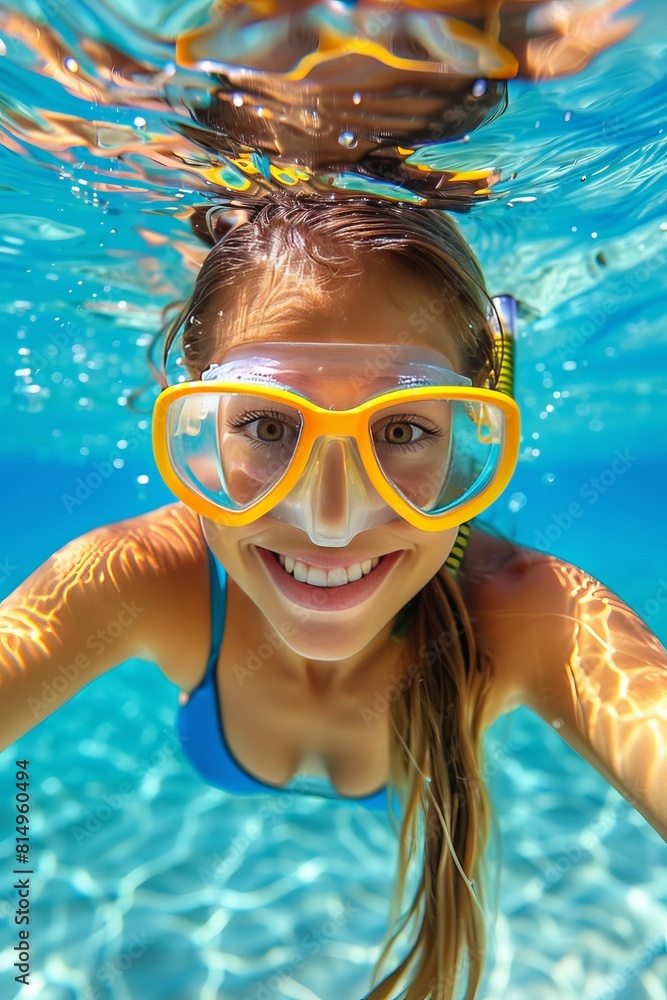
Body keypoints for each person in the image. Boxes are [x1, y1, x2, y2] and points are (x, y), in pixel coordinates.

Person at [1, 195, 665, 1000]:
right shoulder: (140, 576)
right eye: (270, 428)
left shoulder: (528, 615)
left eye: (403, 431)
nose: (330, 519)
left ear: (470, 434)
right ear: (199, 424)